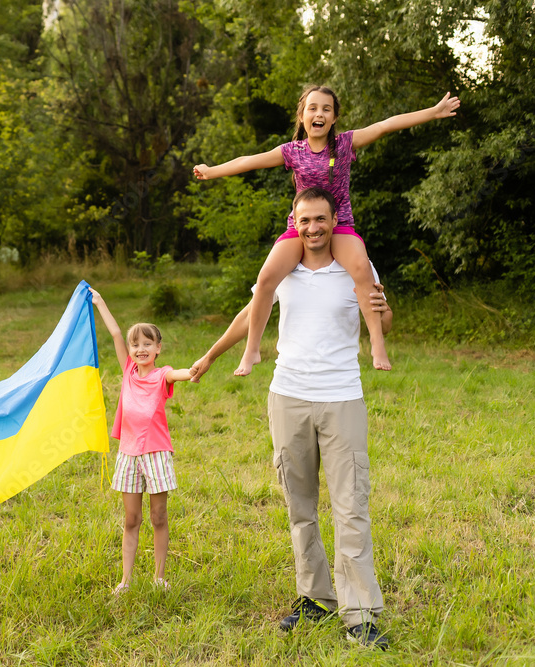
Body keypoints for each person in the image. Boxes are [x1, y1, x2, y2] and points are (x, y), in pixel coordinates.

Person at [194, 188, 393, 648]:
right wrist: (210, 355)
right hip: (289, 398)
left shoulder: (355, 266)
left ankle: (360, 616)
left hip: (342, 398)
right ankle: (316, 599)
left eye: (321, 219)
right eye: (305, 221)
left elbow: (381, 319)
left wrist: (386, 315)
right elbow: (251, 314)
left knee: (351, 508)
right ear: (294, 221)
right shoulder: (283, 269)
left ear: (333, 218)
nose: (313, 228)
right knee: (299, 507)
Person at [194, 85, 458, 373]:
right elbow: (249, 161)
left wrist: (432, 113)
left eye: (326, 109)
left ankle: (377, 344)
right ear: (302, 116)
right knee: (267, 277)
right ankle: (252, 350)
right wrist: (212, 170)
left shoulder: (344, 145)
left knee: (361, 268)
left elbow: (385, 125)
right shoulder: (291, 152)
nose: (319, 113)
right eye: (313, 108)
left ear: (333, 119)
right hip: (302, 226)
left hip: (340, 224)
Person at [90, 288, 193, 594]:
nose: (140, 349)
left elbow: (182, 373)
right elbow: (115, 333)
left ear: (158, 348)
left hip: (156, 454)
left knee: (158, 516)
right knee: (131, 518)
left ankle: (160, 578)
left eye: (147, 344)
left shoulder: (163, 375)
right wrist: (100, 301)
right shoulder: (128, 371)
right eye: (136, 345)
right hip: (129, 454)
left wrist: (200, 367)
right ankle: (125, 580)